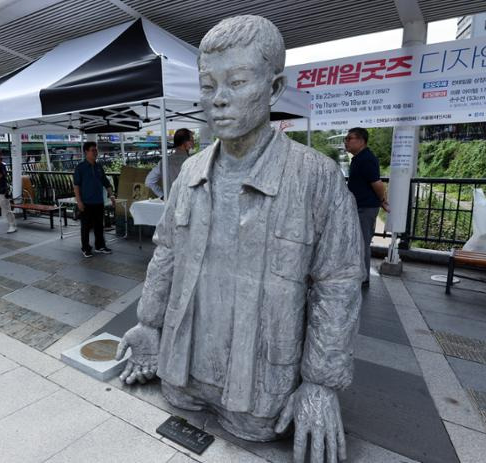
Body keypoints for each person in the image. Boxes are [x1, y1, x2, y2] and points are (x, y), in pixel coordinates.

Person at [116, 15, 364, 463]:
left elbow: (339, 283)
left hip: (259, 391)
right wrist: (149, 325)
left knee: (253, 424)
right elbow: (167, 253)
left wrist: (321, 385)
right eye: (208, 86)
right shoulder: (190, 171)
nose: (219, 101)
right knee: (179, 397)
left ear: (272, 88)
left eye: (237, 82)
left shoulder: (315, 177)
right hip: (181, 371)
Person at [344, 127, 390, 286]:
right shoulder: (358, 158)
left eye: (350, 138)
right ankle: (358, 273)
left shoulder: (366, 159)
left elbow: (377, 183)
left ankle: (363, 278)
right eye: (346, 138)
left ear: (362, 141)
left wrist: (382, 200)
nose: (346, 141)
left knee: (362, 242)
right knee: (357, 242)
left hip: (365, 208)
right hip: (359, 207)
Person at [73, 141, 116, 258]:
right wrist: (79, 202)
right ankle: (86, 248)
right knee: (86, 227)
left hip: (98, 201)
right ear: (86, 152)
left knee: (99, 226)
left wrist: (111, 195)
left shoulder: (98, 166)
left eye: (96, 150)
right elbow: (76, 186)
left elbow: (106, 182)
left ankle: (100, 246)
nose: (95, 152)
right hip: (86, 202)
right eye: (93, 150)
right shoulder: (80, 167)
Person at [145, 128, 194, 199]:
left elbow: (149, 181)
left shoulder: (163, 162)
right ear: (186, 143)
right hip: (187, 203)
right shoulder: (191, 161)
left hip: (169, 203)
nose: (193, 142)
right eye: (192, 140)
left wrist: (162, 195)